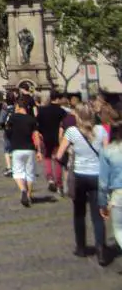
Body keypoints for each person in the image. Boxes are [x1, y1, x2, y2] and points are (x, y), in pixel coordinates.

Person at [55, 102, 108, 263]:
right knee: (97, 216)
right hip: (97, 176)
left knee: (79, 213)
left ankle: (81, 247)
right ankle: (101, 249)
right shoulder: (101, 131)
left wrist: (70, 159)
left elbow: (59, 155)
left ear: (77, 116)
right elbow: (105, 156)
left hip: (79, 176)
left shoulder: (72, 131)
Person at [7, 95, 43, 207]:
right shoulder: (31, 119)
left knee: (18, 173)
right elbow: (36, 136)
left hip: (17, 148)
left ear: (18, 106)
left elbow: (7, 131)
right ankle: (28, 196)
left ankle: (23, 190)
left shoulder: (13, 117)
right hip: (30, 149)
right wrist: (39, 151)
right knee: (30, 174)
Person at [99, 117, 122, 265]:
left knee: (119, 229)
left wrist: (102, 203)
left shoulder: (107, 152)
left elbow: (103, 182)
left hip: (118, 195)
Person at [37, 91, 67, 194]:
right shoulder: (62, 112)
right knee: (57, 159)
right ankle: (59, 183)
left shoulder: (42, 110)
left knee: (47, 158)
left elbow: (38, 125)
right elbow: (64, 126)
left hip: (45, 137)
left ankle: (50, 178)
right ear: (58, 99)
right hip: (58, 138)